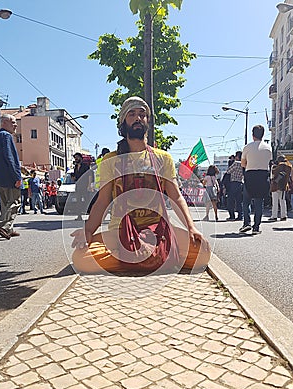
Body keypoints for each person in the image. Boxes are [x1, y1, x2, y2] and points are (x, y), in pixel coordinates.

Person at [71, 96, 211, 274]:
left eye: (142, 114)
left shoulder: (163, 158)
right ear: (123, 122)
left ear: (147, 122)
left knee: (202, 255)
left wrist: (192, 228)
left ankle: (133, 259)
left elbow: (176, 196)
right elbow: (102, 201)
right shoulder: (110, 160)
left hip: (159, 230)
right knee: (81, 259)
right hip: (120, 231)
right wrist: (88, 230)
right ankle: (148, 258)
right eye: (131, 114)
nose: (138, 118)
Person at [0, 114, 22, 239]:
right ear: (4, 123)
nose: (15, 125)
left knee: (5, 203)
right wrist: (17, 176)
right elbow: (10, 158)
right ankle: (1, 225)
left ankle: (8, 229)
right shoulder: (6, 136)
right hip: (9, 176)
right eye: (13, 122)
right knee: (15, 202)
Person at [239, 125, 272, 235]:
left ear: (253, 135)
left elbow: (243, 164)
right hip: (263, 175)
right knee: (259, 202)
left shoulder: (247, 147)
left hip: (250, 174)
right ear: (263, 135)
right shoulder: (268, 148)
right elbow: (269, 162)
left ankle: (246, 223)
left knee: (246, 201)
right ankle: (256, 226)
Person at [268, 154, 292, 222]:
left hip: (275, 185)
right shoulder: (289, 167)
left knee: (275, 202)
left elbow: (272, 177)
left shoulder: (275, 167)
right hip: (284, 185)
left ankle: (274, 216)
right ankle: (283, 215)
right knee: (282, 201)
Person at [225, 151, 244, 221]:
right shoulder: (243, 164)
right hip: (240, 182)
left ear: (237, 157)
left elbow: (228, 171)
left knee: (230, 200)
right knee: (239, 201)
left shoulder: (236, 163)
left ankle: (232, 215)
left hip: (233, 183)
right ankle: (240, 215)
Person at [72, 152, 90, 221]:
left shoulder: (85, 166)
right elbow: (75, 177)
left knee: (87, 201)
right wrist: (73, 178)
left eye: (77, 157)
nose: (76, 159)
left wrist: (89, 185)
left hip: (85, 186)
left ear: (80, 158)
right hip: (78, 186)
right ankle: (79, 216)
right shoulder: (76, 167)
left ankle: (90, 216)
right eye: (75, 158)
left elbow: (90, 175)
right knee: (78, 201)